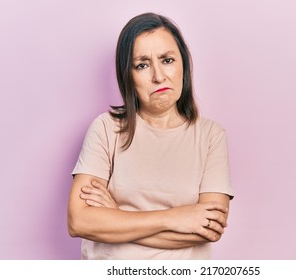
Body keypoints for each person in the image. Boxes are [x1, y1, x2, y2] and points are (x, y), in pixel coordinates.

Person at [67, 12, 233, 260]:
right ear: (128, 76)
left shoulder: (211, 136)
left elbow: (210, 228)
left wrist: (116, 215)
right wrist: (176, 217)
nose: (158, 75)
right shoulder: (105, 129)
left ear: (183, 66)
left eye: (167, 60)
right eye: (142, 65)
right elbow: (79, 221)